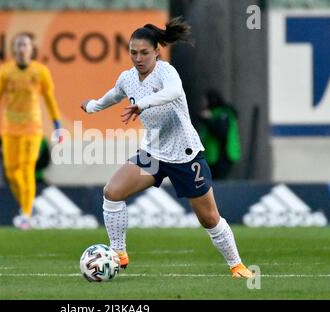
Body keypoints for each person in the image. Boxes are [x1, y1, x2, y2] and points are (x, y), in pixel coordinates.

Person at [80, 17, 253, 278]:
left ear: (157, 52)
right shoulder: (128, 78)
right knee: (112, 192)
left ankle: (237, 265)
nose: (138, 58)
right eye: (133, 52)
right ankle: (119, 253)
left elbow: (172, 92)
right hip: (153, 154)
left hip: (185, 155)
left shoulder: (166, 72)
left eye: (144, 53)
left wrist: (144, 104)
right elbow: (114, 95)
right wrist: (93, 106)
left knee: (209, 218)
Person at [0, 32, 63, 230]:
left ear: (32, 48)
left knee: (27, 168)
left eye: (25, 44)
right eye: (18, 45)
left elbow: (50, 99)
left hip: (32, 127)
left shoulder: (40, 71)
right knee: (11, 172)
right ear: (13, 49)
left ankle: (26, 214)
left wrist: (57, 125)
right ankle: (25, 207)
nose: (21, 48)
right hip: (10, 127)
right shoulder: (5, 71)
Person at [198, 89, 241, 180]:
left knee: (218, 180)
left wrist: (208, 120)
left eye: (204, 100)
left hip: (222, 154)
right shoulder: (212, 113)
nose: (202, 103)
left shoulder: (222, 113)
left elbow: (220, 132)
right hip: (211, 154)